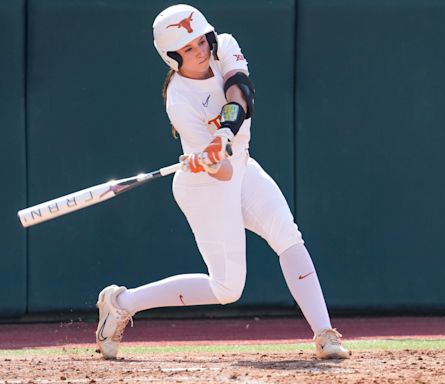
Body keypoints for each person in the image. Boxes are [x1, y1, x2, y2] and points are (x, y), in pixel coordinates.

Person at [95, 3, 350, 360]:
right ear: (172, 56)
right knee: (228, 288)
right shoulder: (179, 100)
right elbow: (223, 174)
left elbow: (241, 91)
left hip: (244, 166)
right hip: (206, 188)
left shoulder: (225, 46)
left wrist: (224, 136)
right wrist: (211, 163)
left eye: (200, 41)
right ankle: (122, 302)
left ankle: (325, 334)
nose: (199, 51)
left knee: (288, 236)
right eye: (187, 48)